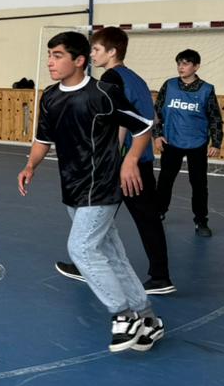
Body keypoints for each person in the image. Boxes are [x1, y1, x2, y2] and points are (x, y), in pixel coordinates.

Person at [17, 31, 164, 353]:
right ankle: (148, 318)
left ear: (79, 60)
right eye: (49, 55)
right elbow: (43, 139)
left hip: (103, 186)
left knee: (81, 249)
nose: (50, 62)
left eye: (57, 55)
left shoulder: (104, 93)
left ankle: (123, 315)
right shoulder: (50, 96)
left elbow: (143, 126)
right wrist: (30, 166)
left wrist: (130, 161)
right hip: (73, 186)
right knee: (112, 254)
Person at [56, 27, 175, 294]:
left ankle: (159, 276)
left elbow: (118, 119)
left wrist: (116, 159)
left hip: (123, 163)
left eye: (96, 49)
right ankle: (158, 275)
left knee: (95, 210)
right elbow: (151, 117)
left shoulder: (111, 77)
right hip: (140, 158)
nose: (92, 54)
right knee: (127, 217)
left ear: (112, 52)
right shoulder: (135, 78)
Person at [153, 48, 223, 237]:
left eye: (185, 63)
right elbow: (156, 112)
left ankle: (201, 220)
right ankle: (159, 212)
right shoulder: (169, 85)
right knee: (165, 181)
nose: (181, 67)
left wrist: (216, 143)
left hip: (197, 143)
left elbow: (215, 117)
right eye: (179, 63)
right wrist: (157, 135)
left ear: (196, 66)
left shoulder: (207, 89)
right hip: (171, 141)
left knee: (199, 184)